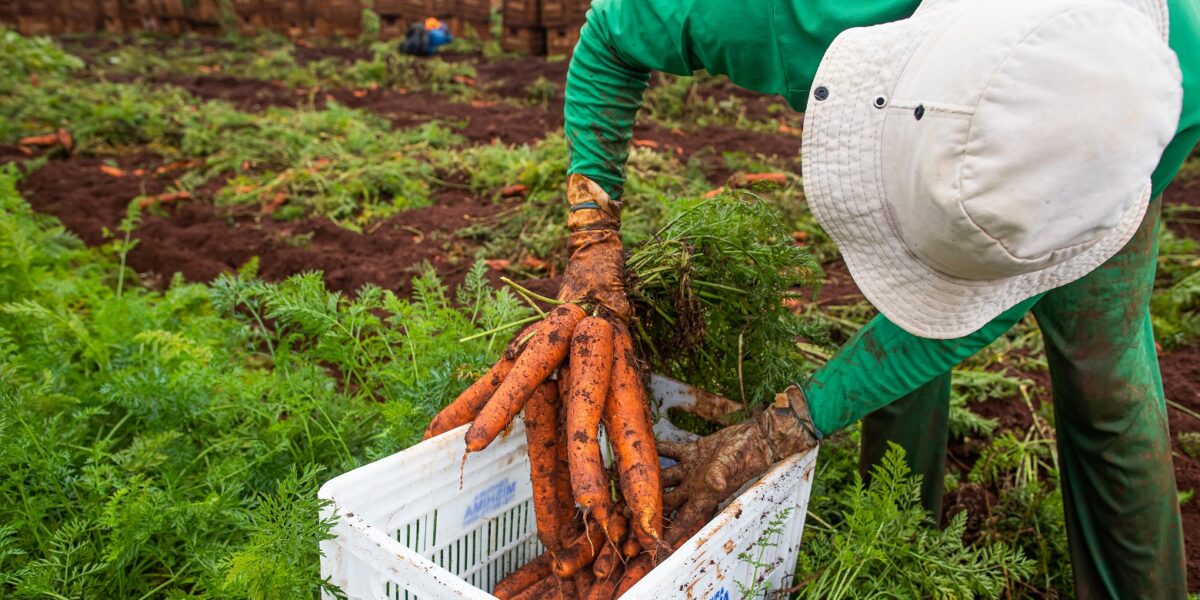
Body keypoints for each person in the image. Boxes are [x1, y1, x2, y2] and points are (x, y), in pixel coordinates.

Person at [557, 0, 1200, 596]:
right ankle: (894, 524)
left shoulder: (1169, 77)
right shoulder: (791, 16)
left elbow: (992, 297)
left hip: (1108, 144)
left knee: (1104, 370)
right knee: (908, 301)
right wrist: (592, 241)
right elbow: (612, 37)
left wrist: (787, 426)